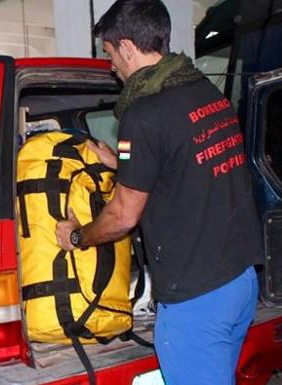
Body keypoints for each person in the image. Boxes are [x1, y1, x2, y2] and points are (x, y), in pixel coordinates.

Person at [55, 1, 262, 384]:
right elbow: (188, 162)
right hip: (240, 283)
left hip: (196, 302)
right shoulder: (205, 92)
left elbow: (122, 216)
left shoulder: (143, 113)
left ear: (128, 47)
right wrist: (120, 165)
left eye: (111, 53)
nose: (111, 64)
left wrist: (77, 236)